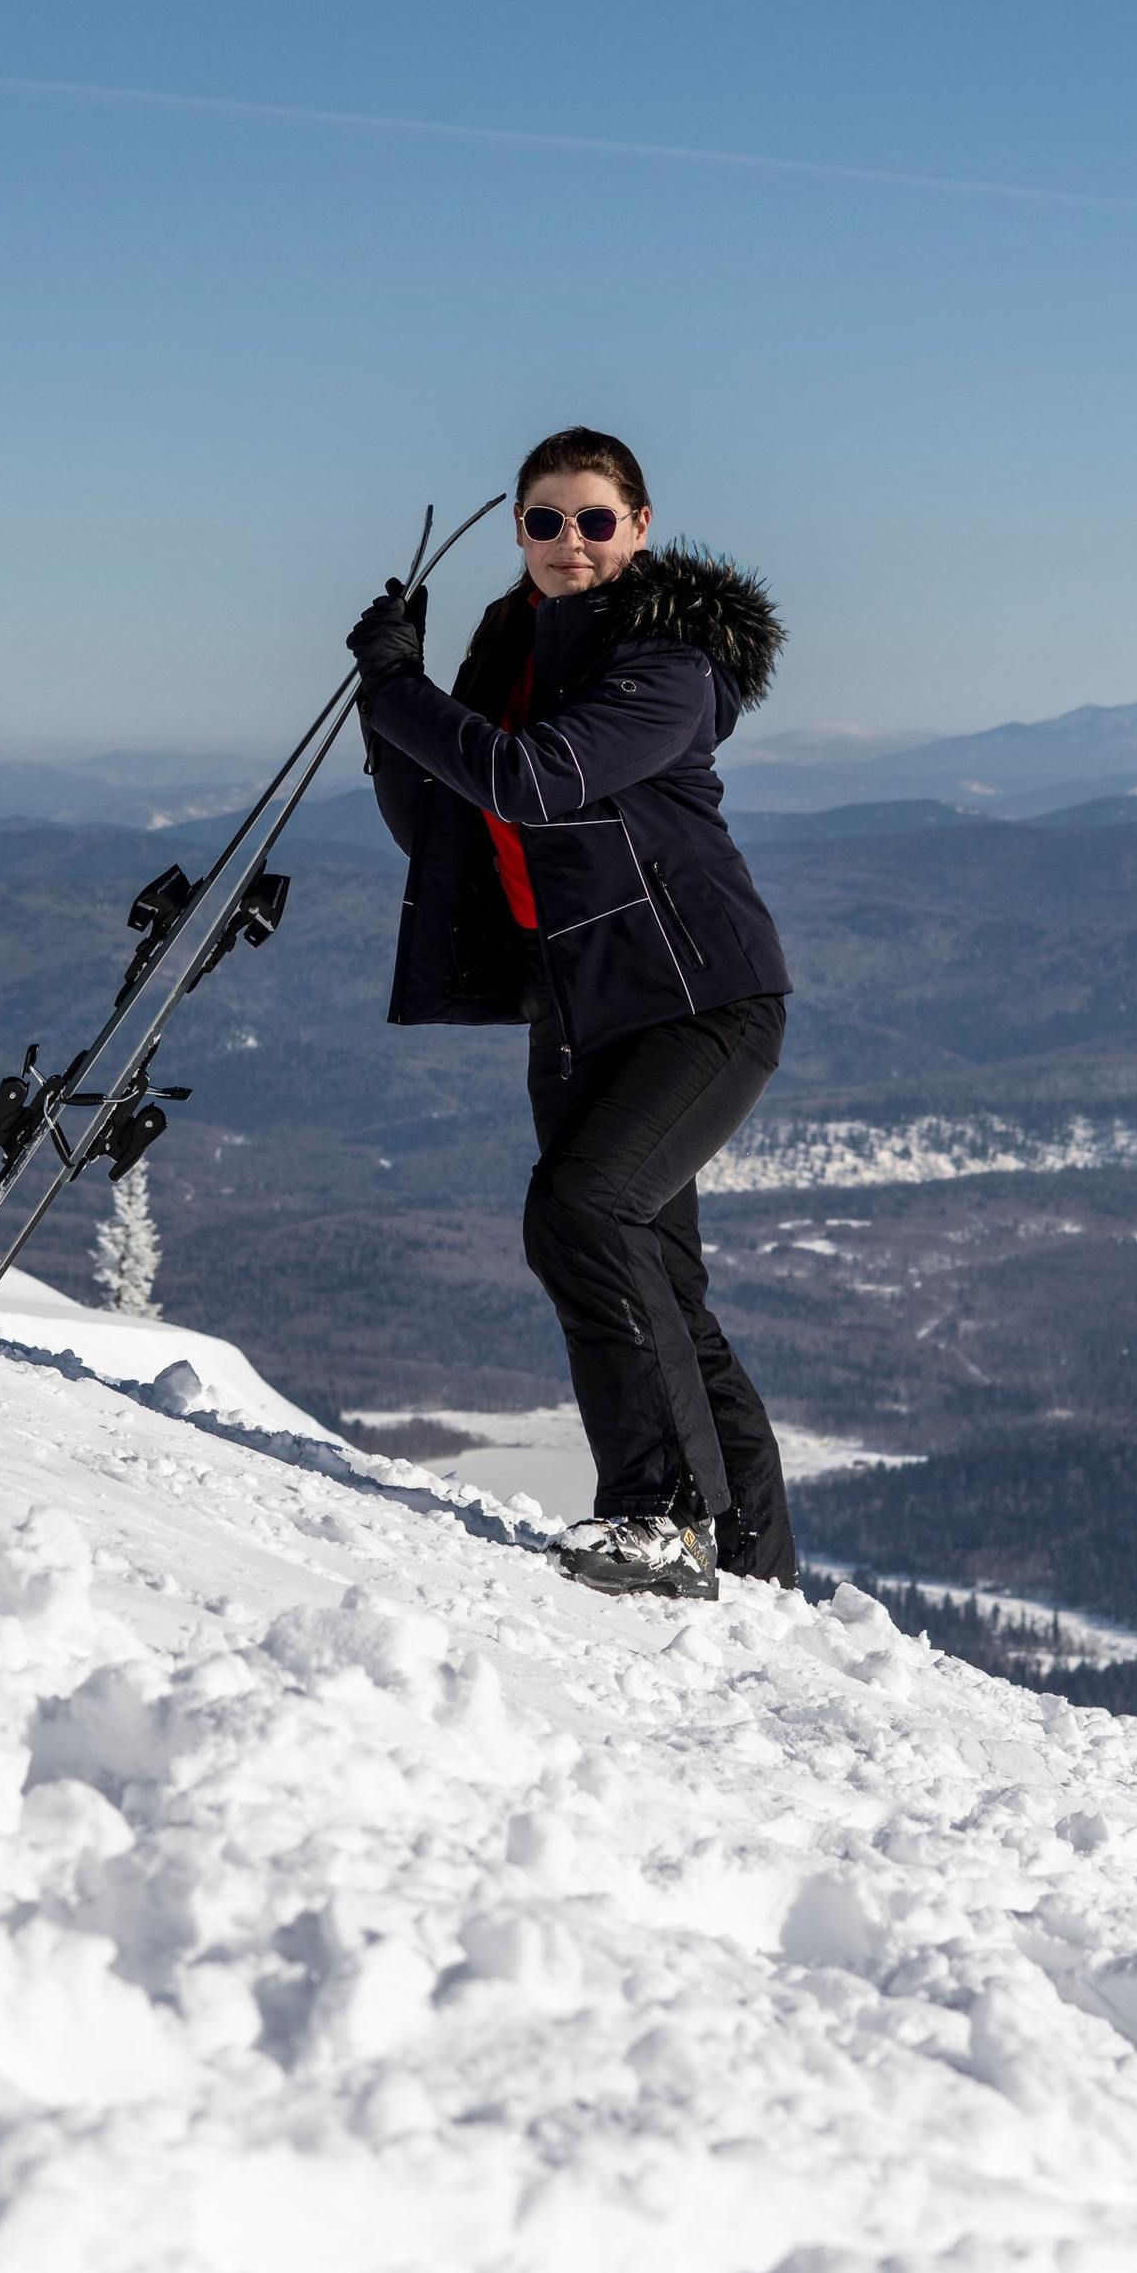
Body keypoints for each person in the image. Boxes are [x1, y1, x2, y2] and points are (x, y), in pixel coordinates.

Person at [347, 427, 796, 1602]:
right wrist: (386, 699)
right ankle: (751, 1565)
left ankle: (662, 1516)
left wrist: (400, 690)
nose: (569, 543)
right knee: (656, 1281)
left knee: (581, 1216)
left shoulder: (669, 663)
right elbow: (441, 819)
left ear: (639, 528)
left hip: (701, 1002)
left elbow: (529, 779)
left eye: (595, 520)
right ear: (519, 534)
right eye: (544, 521)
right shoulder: (514, 656)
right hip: (576, 1008)